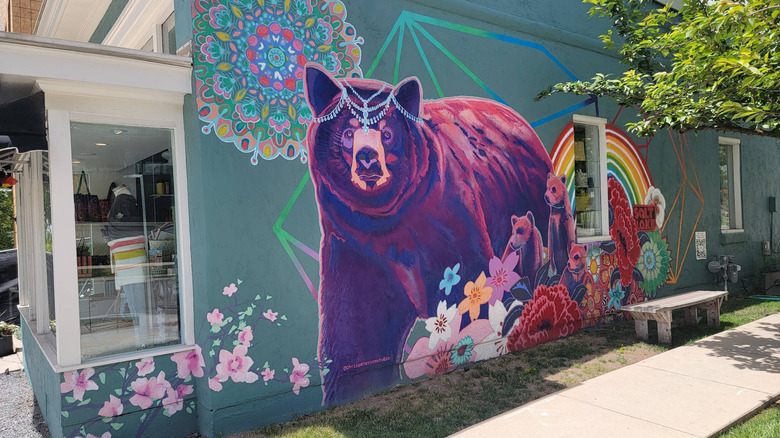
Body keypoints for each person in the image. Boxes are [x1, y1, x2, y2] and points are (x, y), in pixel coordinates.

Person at [105, 184, 148, 346]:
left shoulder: (123, 200)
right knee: (137, 304)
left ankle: (141, 338)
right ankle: (141, 338)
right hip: (131, 261)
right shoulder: (125, 200)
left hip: (129, 262)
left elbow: (124, 228)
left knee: (137, 304)